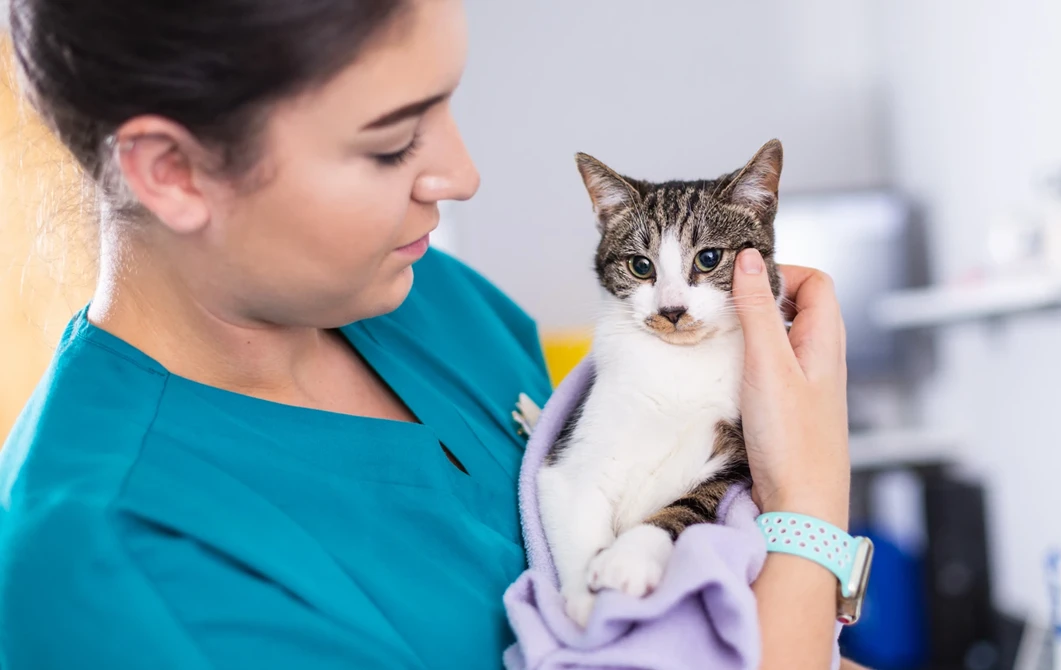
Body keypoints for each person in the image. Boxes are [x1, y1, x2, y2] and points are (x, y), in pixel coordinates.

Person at [0, 1, 858, 668]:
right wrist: (812, 506)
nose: (463, 174)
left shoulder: (436, 302)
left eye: (448, 103)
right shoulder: (109, 571)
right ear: (173, 171)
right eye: (392, 141)